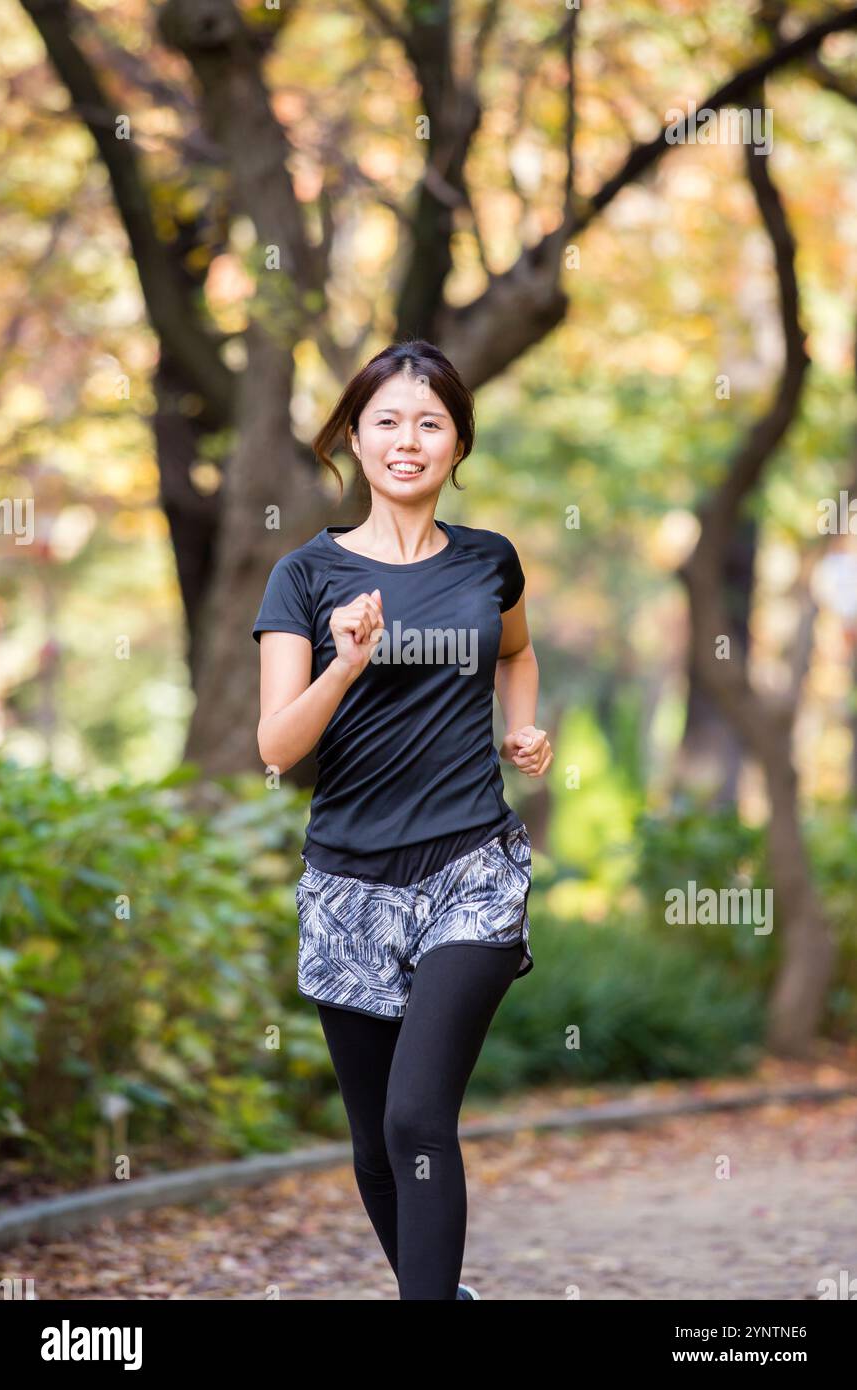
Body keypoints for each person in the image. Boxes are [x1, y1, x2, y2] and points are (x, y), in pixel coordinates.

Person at [253, 339, 553, 1300]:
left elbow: (516, 654)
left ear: (458, 441)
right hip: (349, 886)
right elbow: (276, 747)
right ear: (355, 436)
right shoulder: (305, 577)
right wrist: (345, 662)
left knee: (419, 1118)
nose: (407, 440)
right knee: (377, 1142)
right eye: (387, 421)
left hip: (473, 868)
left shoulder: (489, 562)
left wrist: (524, 728)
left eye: (430, 422)